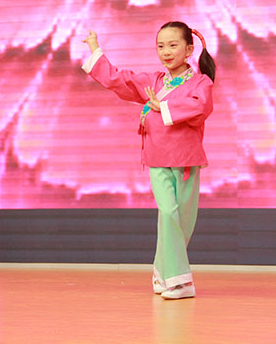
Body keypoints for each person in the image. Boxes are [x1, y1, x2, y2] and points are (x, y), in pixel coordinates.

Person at [82, 21, 215, 300]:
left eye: (173, 45)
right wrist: (95, 48)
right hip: (157, 157)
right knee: (168, 213)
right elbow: (119, 79)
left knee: (182, 221)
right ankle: (181, 282)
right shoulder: (152, 81)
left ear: (189, 49)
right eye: (161, 46)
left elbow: (200, 107)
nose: (166, 51)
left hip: (186, 160)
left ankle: (162, 272)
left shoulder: (201, 82)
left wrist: (163, 106)